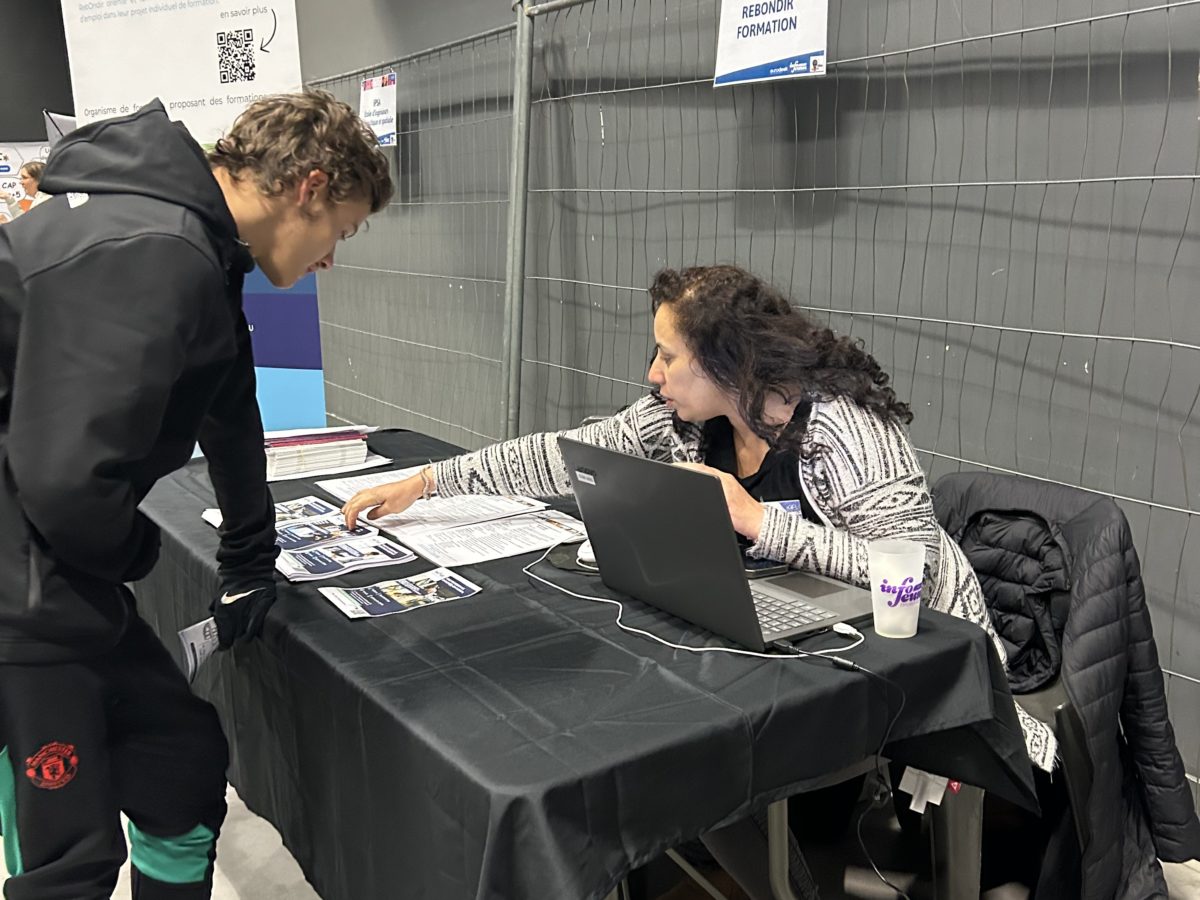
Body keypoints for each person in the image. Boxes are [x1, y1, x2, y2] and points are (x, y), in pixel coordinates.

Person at [341, 264, 1057, 898]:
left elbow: (912, 567)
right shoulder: (678, 420)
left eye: (669, 354)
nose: (654, 373)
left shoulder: (844, 425)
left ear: (729, 361)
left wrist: (756, 523)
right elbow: (559, 458)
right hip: (785, 633)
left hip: (906, 654)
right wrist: (432, 481)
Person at [0, 91, 393, 899]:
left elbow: (230, 408)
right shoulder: (154, 245)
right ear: (310, 187)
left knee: (181, 764)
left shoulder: (200, 248)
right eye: (338, 233)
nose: (330, 261)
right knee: (68, 851)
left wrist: (250, 557)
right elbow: (66, 482)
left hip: (55, 558)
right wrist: (137, 551)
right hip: (21, 576)